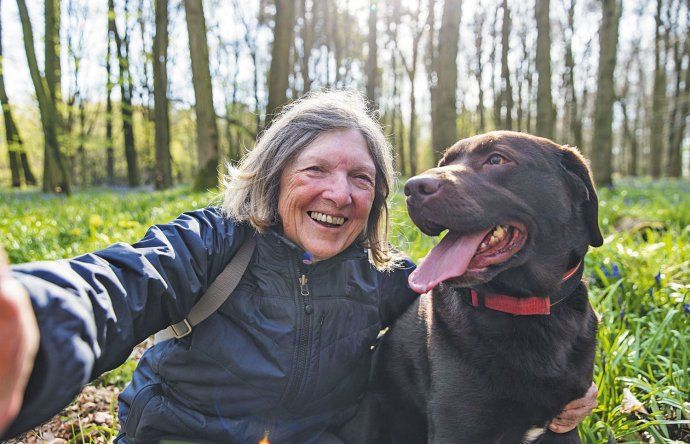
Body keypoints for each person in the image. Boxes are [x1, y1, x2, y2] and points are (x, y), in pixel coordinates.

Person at [0, 91, 597, 443]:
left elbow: (482, 318)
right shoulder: (211, 245)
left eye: (360, 178)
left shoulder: (387, 277)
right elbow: (120, 284)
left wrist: (561, 388)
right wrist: (36, 314)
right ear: (273, 174)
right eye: (315, 170)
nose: (338, 193)